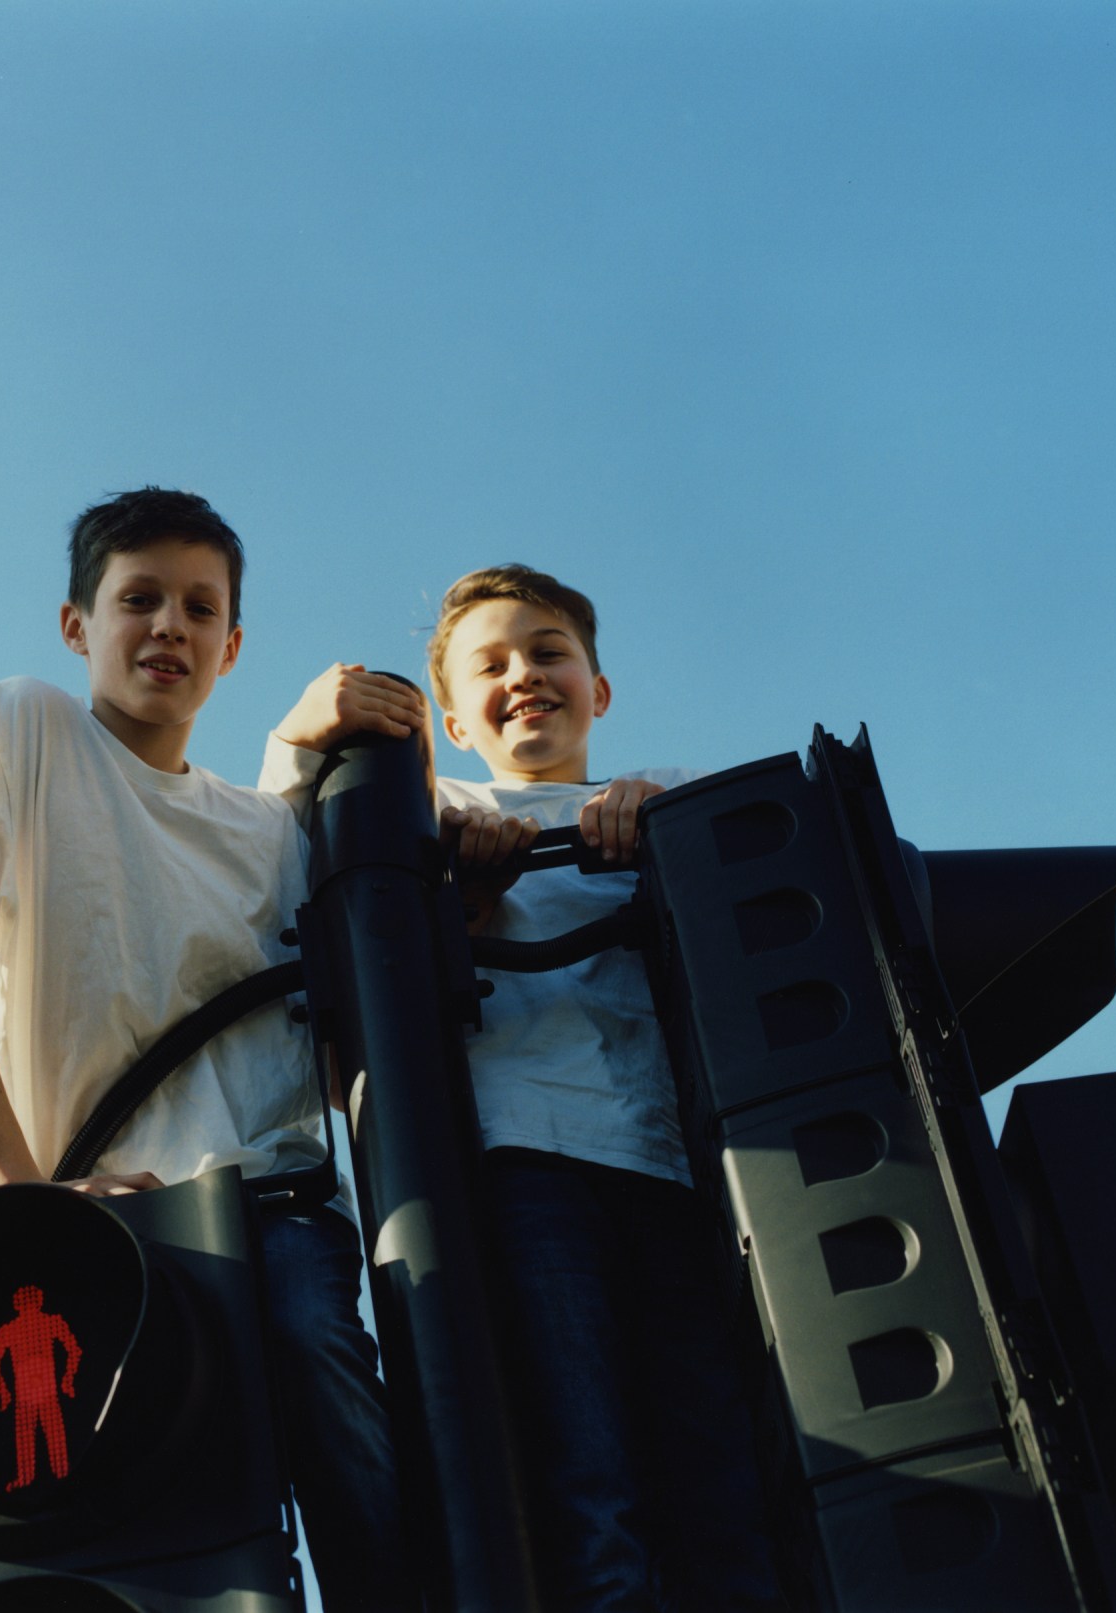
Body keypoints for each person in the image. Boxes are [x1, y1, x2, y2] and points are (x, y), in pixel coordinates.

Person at [0, 488, 415, 1610]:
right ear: (78, 625)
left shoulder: (266, 829)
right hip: (95, 1211)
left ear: (230, 645)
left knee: (322, 1370)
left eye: (198, 606)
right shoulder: (27, 728)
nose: (168, 624)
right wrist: (27, 1198)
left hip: (262, 1201)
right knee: (151, 1531)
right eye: (138, 599)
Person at [265, 564, 779, 1612]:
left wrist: (658, 822)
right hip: (525, 1170)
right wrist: (463, 893)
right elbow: (304, 890)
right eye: (488, 666)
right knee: (585, 1478)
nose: (523, 676)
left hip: (676, 1175)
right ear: (451, 719)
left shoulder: (662, 799)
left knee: (720, 1473)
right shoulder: (437, 811)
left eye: (547, 652)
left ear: (598, 688)